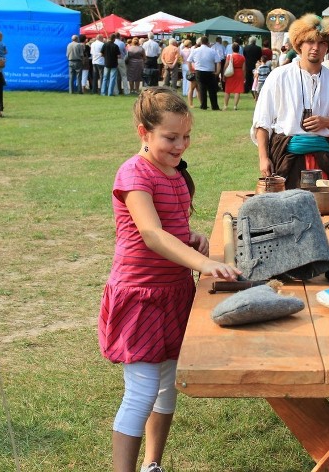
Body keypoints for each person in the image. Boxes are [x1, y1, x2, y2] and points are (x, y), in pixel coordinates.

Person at [99, 87, 240, 472]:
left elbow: (170, 229)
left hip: (174, 293)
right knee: (141, 393)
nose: (180, 146)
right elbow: (151, 233)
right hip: (142, 296)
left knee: (166, 389)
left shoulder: (174, 173)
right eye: (170, 138)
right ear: (144, 133)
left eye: (185, 137)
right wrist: (203, 261)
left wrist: (190, 237)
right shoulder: (133, 173)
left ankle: (152, 465)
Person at [251, 13, 329, 188]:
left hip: (324, 159)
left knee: (324, 210)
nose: (315, 47)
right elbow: (262, 121)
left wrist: (326, 121)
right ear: (299, 44)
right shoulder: (279, 76)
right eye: (310, 41)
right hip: (287, 157)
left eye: (321, 43)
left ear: (327, 47)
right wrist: (263, 158)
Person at [187, 36, 221, 110]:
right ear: (207, 42)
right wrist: (217, 72)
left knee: (202, 89)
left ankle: (203, 105)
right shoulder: (212, 51)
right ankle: (214, 106)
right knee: (212, 90)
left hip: (199, 71)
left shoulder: (195, 50)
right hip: (210, 72)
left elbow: (189, 61)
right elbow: (218, 62)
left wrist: (190, 70)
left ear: (201, 42)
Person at [222, 42, 245, 111]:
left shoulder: (229, 56)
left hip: (230, 73)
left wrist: (223, 74)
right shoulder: (242, 57)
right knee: (237, 90)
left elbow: (226, 65)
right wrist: (244, 76)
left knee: (227, 90)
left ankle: (225, 105)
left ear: (232, 49)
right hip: (239, 72)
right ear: (239, 49)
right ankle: (235, 106)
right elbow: (244, 68)